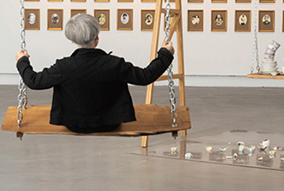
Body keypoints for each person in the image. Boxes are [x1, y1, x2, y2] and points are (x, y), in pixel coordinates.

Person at [15, 13, 175, 134]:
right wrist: (165, 54)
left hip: (74, 124)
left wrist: (22, 60)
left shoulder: (63, 67)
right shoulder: (115, 64)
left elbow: (33, 81)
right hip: (110, 123)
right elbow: (146, 76)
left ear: (72, 40)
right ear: (97, 37)